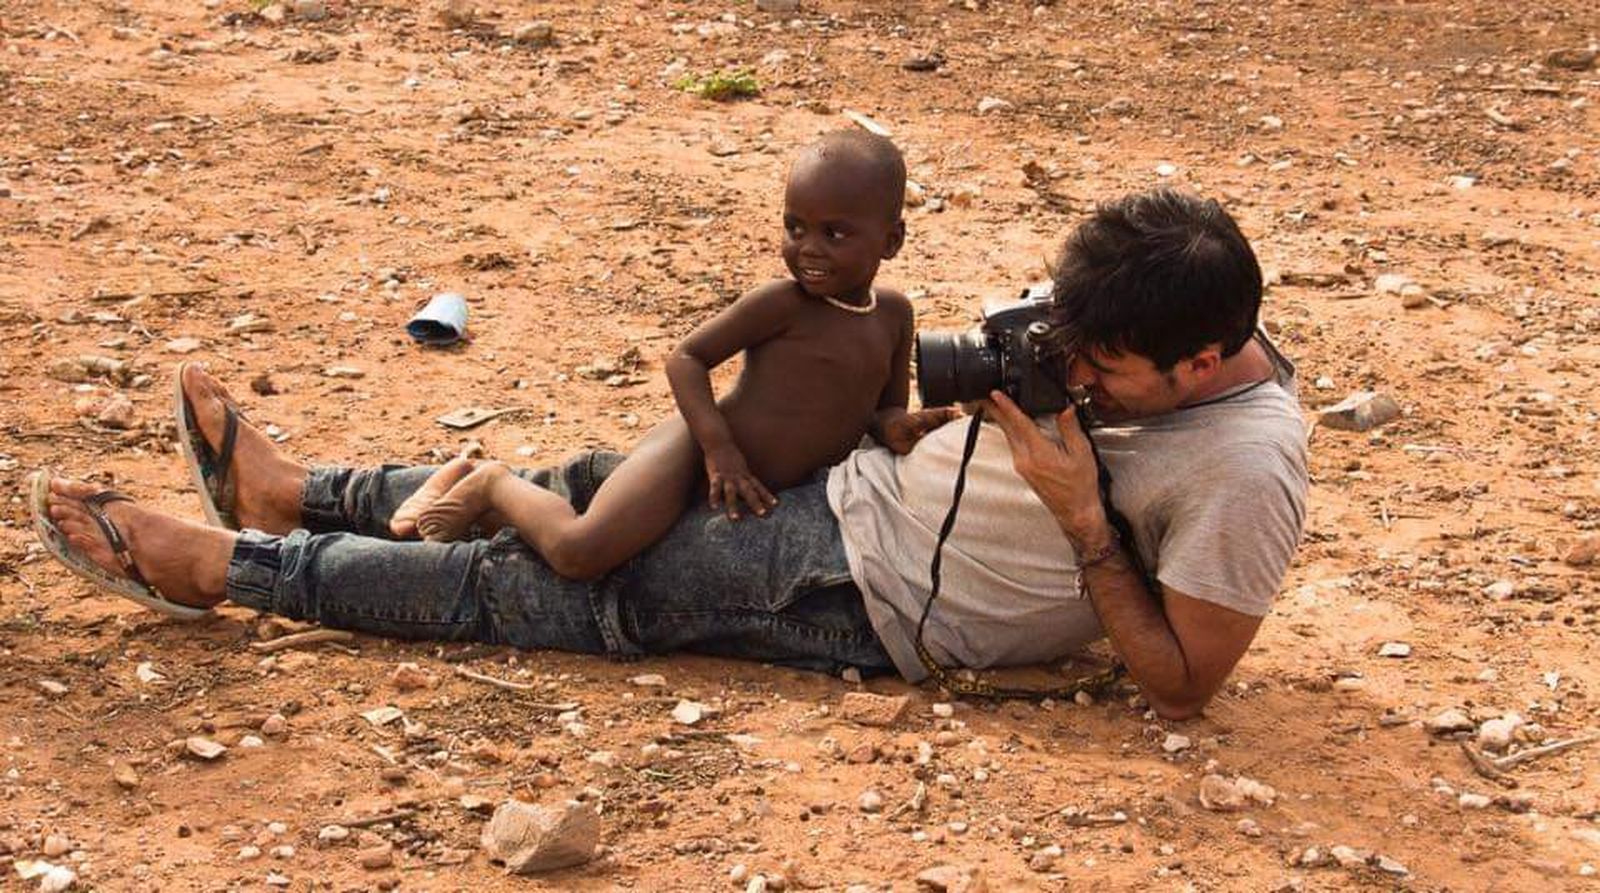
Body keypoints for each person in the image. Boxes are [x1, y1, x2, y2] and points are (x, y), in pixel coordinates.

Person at [32, 188, 1307, 720]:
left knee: (556, 583)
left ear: (1202, 363)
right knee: (586, 475)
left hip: (861, 595)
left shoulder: (1246, 471)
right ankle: (296, 491)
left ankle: (236, 569)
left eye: (1104, 374)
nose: (1072, 375)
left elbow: (1184, 680)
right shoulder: (1116, 321)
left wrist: (1085, 519)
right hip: (844, 482)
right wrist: (918, 414)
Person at [386, 130, 916, 582]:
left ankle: (478, 510)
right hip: (694, 455)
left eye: (835, 233)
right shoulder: (782, 304)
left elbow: (882, 411)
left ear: (890, 240)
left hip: (747, 488)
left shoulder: (892, 315)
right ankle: (494, 483)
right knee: (581, 553)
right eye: (795, 227)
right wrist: (719, 449)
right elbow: (686, 358)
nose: (808, 248)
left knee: (636, 560)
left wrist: (897, 427)